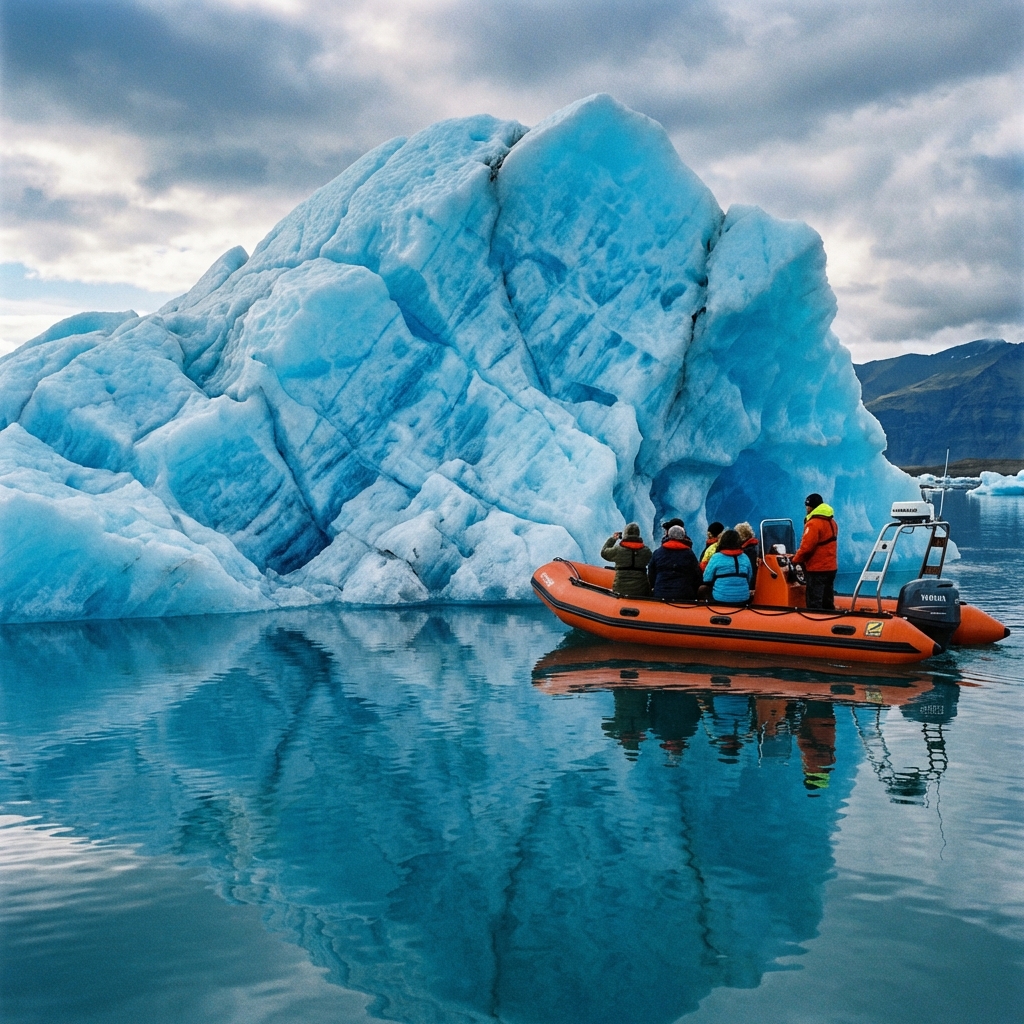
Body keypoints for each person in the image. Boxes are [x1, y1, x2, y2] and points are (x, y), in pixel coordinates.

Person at [793, 493, 838, 610]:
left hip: (817, 568)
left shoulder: (813, 523)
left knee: (814, 602)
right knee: (827, 600)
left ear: (811, 506)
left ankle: (815, 620)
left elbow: (806, 547)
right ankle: (829, 618)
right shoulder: (832, 522)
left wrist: (795, 560)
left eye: (807, 506)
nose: (806, 508)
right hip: (831, 567)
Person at [648, 525, 702, 601]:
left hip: (660, 593)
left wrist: (655, 586)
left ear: (668, 535)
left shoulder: (658, 552)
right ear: (683, 537)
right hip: (684, 595)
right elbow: (697, 575)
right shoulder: (689, 554)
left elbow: (651, 573)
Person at [701, 529, 753, 603]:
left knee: (702, 589)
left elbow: (706, 579)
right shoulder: (745, 557)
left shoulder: (716, 557)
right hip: (743, 599)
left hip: (720, 599)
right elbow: (749, 578)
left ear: (722, 541)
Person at [601, 522, 653, 597]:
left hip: (620, 589)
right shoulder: (646, 551)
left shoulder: (618, 550)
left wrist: (613, 539)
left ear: (625, 534)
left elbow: (604, 553)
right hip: (641, 590)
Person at [734, 522, 759, 586]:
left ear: (742, 536)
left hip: (750, 583)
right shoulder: (754, 546)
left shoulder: (748, 550)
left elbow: (750, 570)